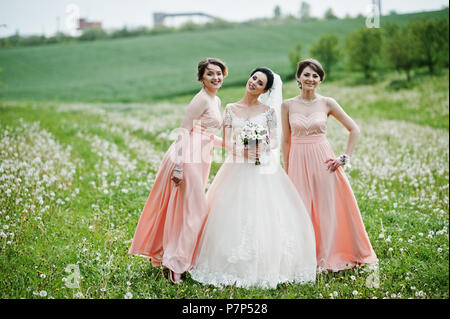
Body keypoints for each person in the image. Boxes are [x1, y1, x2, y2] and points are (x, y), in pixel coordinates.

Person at [189, 67, 317, 289]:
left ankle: (266, 260)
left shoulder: (268, 112)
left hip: (263, 166)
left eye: (260, 83)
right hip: (236, 165)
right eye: (253, 78)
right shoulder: (230, 109)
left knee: (264, 213)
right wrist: (242, 150)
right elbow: (227, 141)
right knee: (230, 212)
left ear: (265, 90)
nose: (254, 83)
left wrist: (261, 144)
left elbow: (276, 140)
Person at [128, 58, 227, 283]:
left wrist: (235, 145)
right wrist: (180, 166)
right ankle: (177, 265)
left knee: (185, 210)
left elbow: (208, 135)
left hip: (201, 158)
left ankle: (170, 255)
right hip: (187, 157)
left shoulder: (216, 99)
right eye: (210, 74)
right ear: (201, 77)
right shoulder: (201, 99)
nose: (216, 78)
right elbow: (184, 131)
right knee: (195, 211)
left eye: (219, 73)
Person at [281, 58, 378, 272]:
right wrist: (287, 169)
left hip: (324, 161)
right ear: (298, 77)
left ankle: (330, 254)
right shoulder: (287, 105)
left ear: (320, 80)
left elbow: (354, 130)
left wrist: (344, 157)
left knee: (327, 209)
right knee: (300, 210)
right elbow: (286, 141)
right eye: (306, 74)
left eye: (315, 76)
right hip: (298, 161)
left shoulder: (328, 103)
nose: (310, 79)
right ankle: (303, 256)